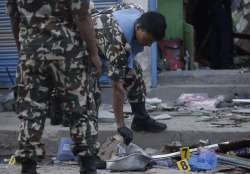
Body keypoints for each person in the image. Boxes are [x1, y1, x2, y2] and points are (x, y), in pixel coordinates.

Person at [6, 0, 101, 174]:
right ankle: (88, 165)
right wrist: (94, 53)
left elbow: (14, 18)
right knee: (79, 109)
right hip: (68, 54)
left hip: (32, 53)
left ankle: (28, 167)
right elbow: (82, 17)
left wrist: (23, 49)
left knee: (31, 111)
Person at [92, 3, 167, 145]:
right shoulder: (118, 44)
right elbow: (117, 89)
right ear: (138, 28)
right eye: (147, 40)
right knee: (91, 95)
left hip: (104, 39)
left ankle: (140, 119)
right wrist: (121, 126)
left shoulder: (139, 12)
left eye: (152, 42)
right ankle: (88, 145)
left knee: (134, 72)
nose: (148, 45)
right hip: (82, 50)